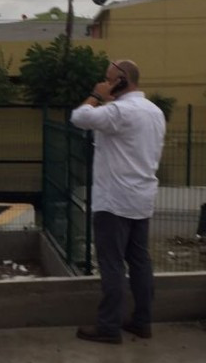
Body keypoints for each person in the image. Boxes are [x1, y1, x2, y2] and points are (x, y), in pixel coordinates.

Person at [69, 60, 166, 344]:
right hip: (142, 197)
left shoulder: (119, 111)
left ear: (122, 81)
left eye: (109, 78)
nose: (105, 81)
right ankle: (142, 321)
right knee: (139, 261)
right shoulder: (155, 112)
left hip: (114, 200)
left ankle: (109, 326)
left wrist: (98, 95)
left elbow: (79, 117)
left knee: (111, 264)